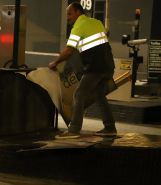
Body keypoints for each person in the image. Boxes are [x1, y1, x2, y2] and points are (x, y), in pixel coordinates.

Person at [49, 2, 117, 139]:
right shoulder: (97, 22)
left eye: (69, 14)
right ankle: (110, 127)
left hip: (94, 68)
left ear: (78, 12)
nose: (67, 17)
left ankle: (74, 130)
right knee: (99, 95)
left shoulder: (78, 27)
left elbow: (69, 51)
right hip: (109, 67)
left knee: (78, 94)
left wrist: (55, 62)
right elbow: (105, 34)